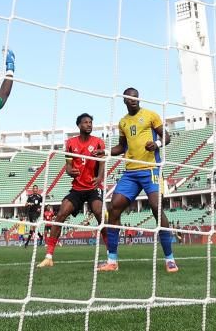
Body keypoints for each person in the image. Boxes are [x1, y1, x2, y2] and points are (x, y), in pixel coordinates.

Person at [97, 88, 177, 273]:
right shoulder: (123, 122)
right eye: (129, 98)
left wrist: (156, 144)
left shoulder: (151, 115)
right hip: (131, 172)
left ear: (138, 98)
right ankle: (112, 260)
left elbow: (167, 137)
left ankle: (170, 259)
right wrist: (107, 152)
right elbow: (122, 146)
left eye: (135, 97)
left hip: (151, 170)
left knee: (157, 209)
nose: (132, 100)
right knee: (113, 209)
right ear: (124, 101)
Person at [38, 113, 107, 268]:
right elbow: (68, 165)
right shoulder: (70, 143)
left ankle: (111, 257)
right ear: (79, 125)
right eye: (85, 122)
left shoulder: (98, 142)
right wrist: (70, 171)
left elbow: (102, 163)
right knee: (61, 214)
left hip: (93, 187)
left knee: (99, 214)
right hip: (77, 188)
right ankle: (49, 256)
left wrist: (100, 177)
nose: (89, 124)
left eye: (90, 122)